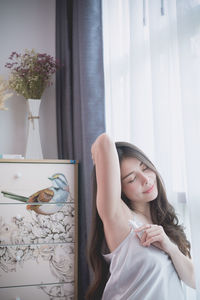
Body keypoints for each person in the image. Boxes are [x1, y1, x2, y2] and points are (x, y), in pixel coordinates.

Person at [86, 133, 196, 300]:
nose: (146, 179)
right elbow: (103, 142)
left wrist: (170, 247)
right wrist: (96, 154)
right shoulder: (121, 220)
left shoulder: (166, 224)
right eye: (131, 179)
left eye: (145, 168)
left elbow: (194, 280)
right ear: (119, 189)